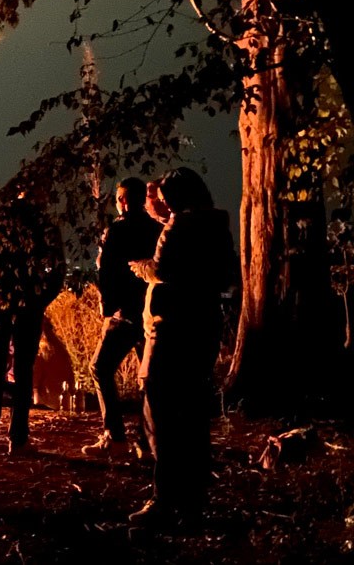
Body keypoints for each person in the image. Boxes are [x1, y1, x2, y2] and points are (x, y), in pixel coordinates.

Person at [128, 167, 236, 527]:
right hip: (203, 324)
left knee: (160, 410)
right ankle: (194, 495)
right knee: (192, 411)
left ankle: (166, 496)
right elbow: (224, 275)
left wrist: (142, 268)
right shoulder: (217, 225)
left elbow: (162, 268)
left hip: (171, 327)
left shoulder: (180, 228)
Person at [0, 190, 66, 455]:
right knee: (23, 369)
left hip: (0, 302)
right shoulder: (44, 226)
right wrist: (40, 299)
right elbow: (58, 269)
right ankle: (18, 439)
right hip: (28, 303)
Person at [83, 178, 164, 457]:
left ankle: (114, 436)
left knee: (100, 368)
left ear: (124, 200)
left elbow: (106, 272)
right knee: (148, 378)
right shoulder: (157, 229)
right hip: (150, 313)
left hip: (124, 314)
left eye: (119, 198)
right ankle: (148, 439)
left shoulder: (116, 231)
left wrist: (107, 309)